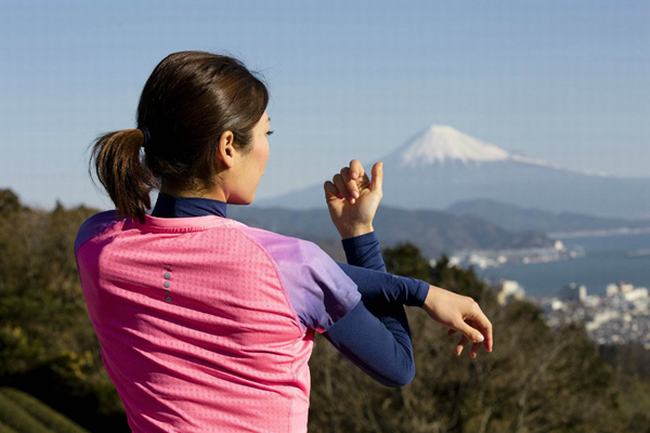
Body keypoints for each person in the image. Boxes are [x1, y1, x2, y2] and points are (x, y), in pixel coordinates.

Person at [74, 50, 493, 433]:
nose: (267, 151)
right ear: (227, 148)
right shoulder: (292, 266)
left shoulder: (97, 245)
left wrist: (420, 292)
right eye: (266, 135)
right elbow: (397, 366)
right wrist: (362, 237)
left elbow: (215, 262)